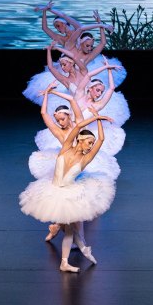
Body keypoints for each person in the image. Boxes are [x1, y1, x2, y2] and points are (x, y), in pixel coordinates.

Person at [19, 114, 116, 272]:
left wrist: (99, 121)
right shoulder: (66, 148)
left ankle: (67, 259)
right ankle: (80, 249)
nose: (91, 146)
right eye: (89, 142)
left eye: (92, 144)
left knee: (70, 229)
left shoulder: (85, 159)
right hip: (53, 191)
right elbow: (78, 126)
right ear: (80, 140)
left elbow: (101, 140)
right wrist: (96, 117)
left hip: (69, 194)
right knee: (70, 229)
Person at [29, 81, 121, 242]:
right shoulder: (59, 132)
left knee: (76, 201)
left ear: (68, 116)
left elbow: (72, 100)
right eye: (58, 120)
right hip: (65, 165)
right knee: (64, 199)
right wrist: (46, 95)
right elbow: (44, 114)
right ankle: (64, 230)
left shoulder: (78, 121)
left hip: (79, 163)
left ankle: (61, 229)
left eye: (62, 119)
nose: (60, 123)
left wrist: (53, 92)